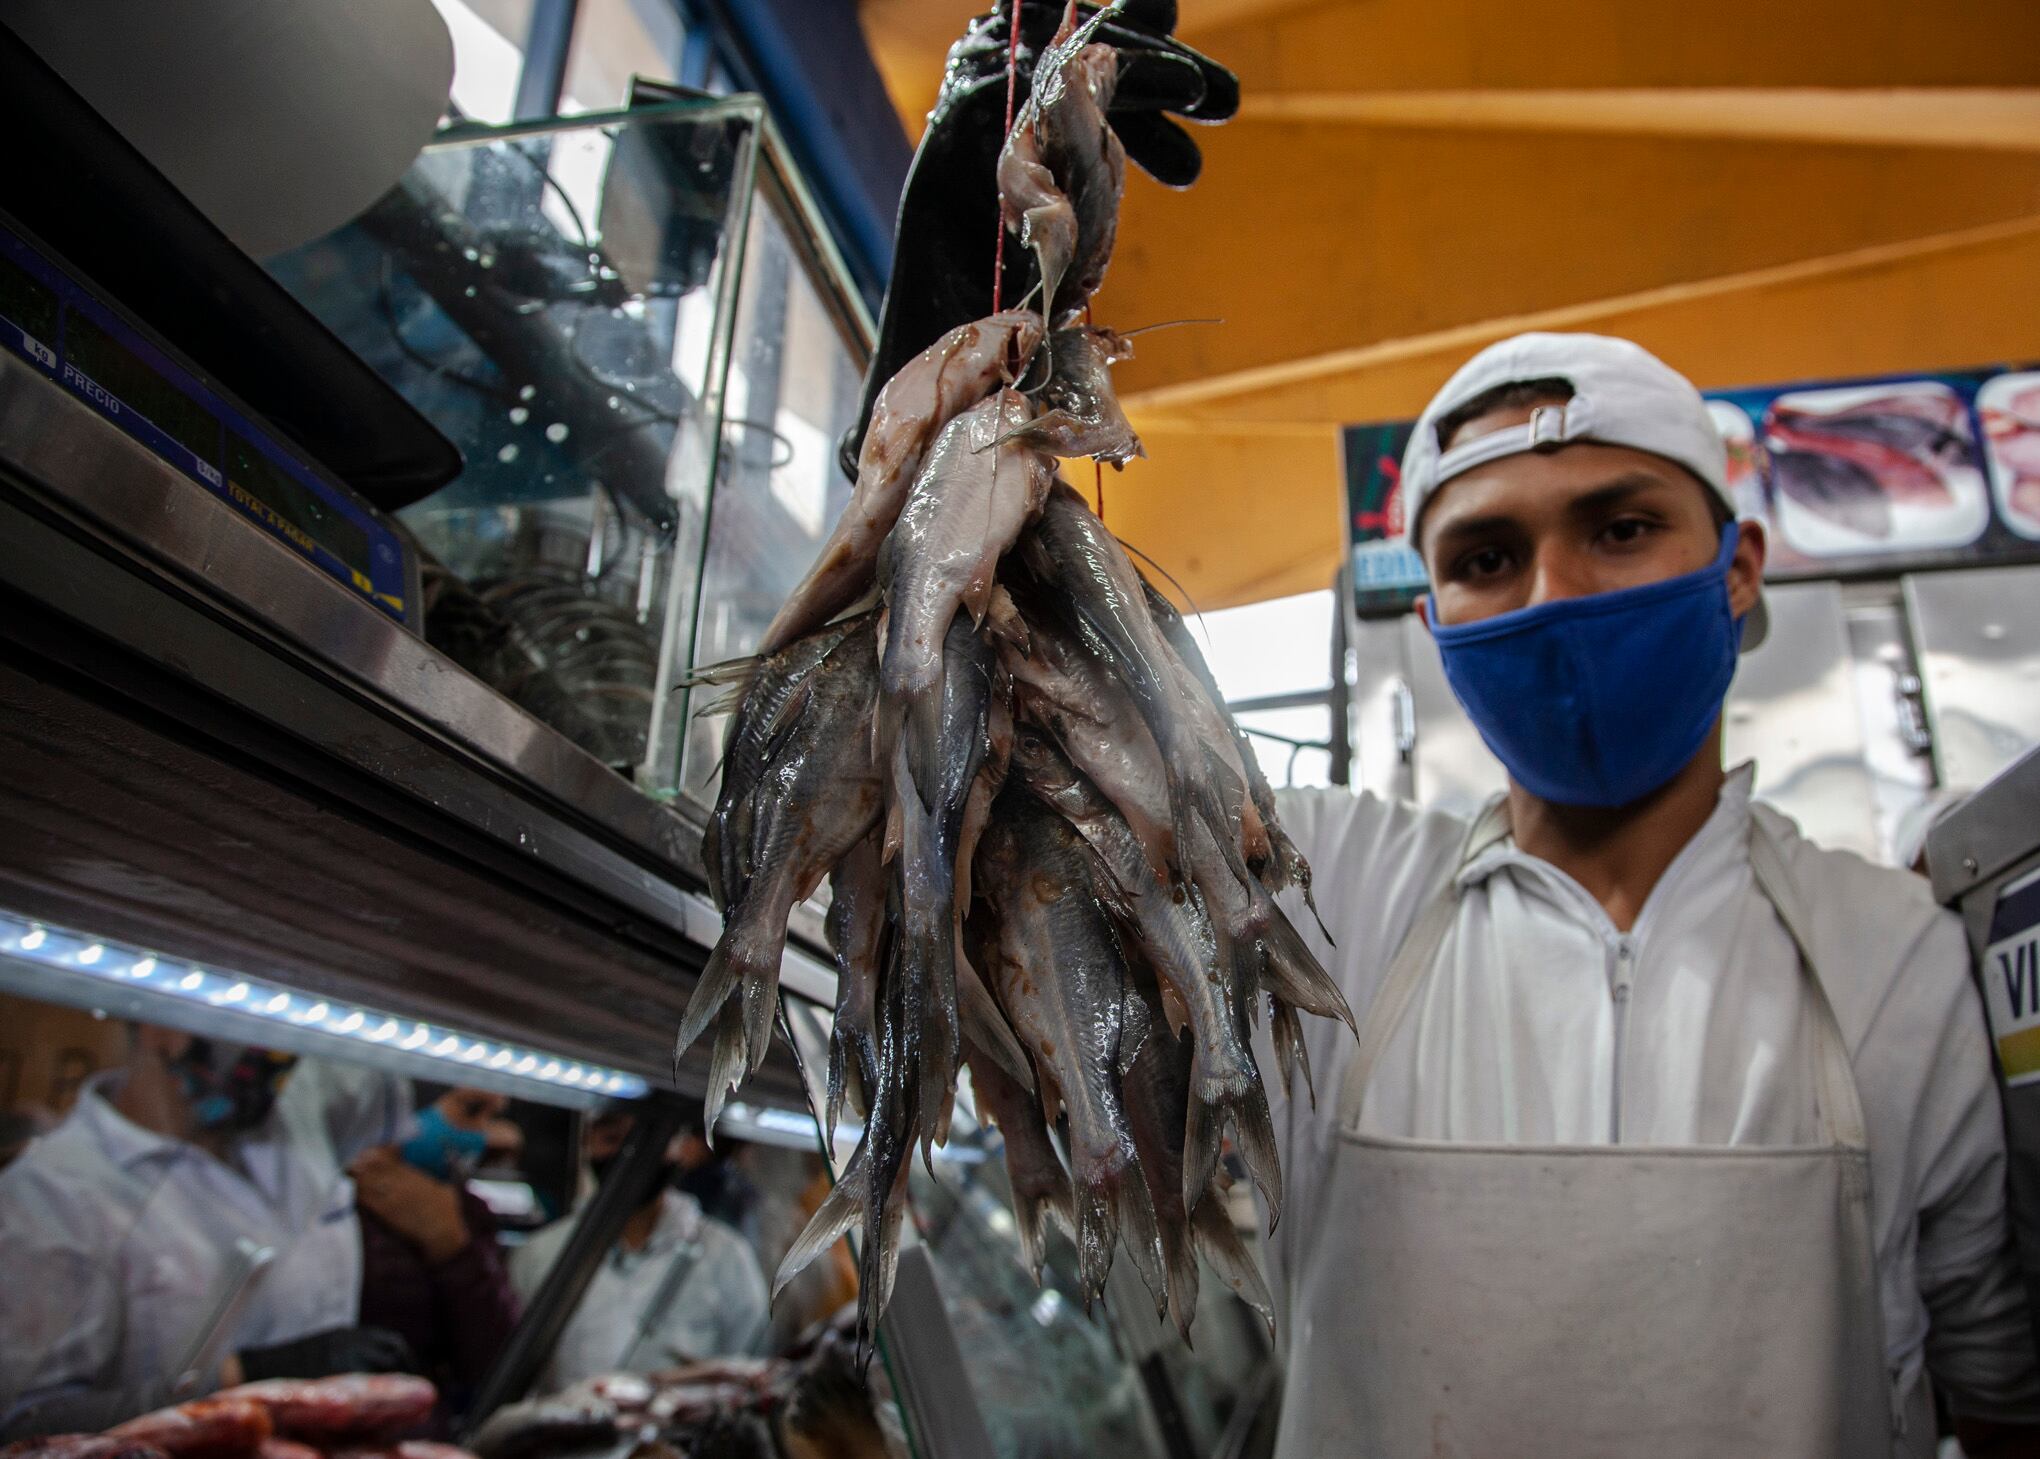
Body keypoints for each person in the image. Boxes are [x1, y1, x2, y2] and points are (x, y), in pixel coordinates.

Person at [1261, 332, 2040, 1458]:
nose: (1555, 592)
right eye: (1487, 558)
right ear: (1432, 621)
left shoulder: (1896, 957)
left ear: (1738, 567)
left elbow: (1999, 1395)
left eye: (1620, 529)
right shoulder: (1322, 894)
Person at [0, 1026, 413, 1436]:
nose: (274, 1060)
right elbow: (26, 1424)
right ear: (158, 1028)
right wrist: (241, 1377)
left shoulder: (294, 1106)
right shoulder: (51, 1195)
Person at [510, 1103, 767, 1391]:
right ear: (586, 1143)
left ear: (683, 1148)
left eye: (648, 1142)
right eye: (611, 1139)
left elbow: (751, 1365)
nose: (628, 1155)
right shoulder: (541, 1253)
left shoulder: (728, 1256)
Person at [352, 1087, 522, 1421]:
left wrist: (453, 1247)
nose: (481, 1133)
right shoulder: (328, 1197)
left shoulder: (469, 1212)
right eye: (471, 1110)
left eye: (491, 1117)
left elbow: (498, 1361)